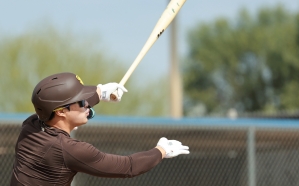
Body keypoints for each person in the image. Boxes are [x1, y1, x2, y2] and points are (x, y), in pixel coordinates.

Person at [10, 72, 189, 186]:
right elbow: (128, 167)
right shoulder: (70, 150)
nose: (86, 103)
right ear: (61, 112)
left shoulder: (30, 125)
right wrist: (161, 151)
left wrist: (100, 92)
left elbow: (59, 106)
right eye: (81, 102)